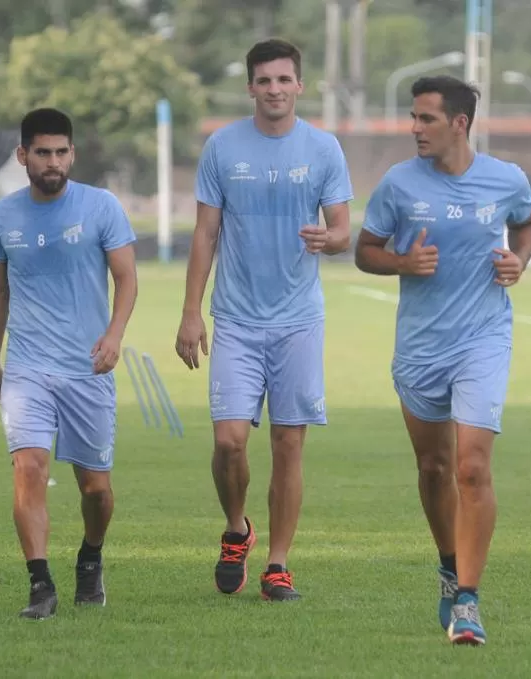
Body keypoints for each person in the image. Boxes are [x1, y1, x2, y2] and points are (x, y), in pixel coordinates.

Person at [354, 75, 531, 645]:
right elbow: (365, 252)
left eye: (425, 119)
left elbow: (527, 222)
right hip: (420, 348)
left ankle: (468, 599)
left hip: (483, 339)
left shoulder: (506, 180)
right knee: (434, 469)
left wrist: (520, 261)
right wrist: (402, 264)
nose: (414, 128)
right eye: (413, 118)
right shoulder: (398, 184)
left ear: (459, 123)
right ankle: (447, 563)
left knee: (472, 467)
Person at [175, 38, 353, 602]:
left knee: (288, 445)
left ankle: (278, 563)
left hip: (299, 319)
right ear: (250, 87)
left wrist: (331, 239)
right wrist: (190, 313)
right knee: (229, 443)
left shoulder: (323, 149)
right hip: (236, 319)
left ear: (300, 85)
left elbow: (344, 228)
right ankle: (237, 529)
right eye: (264, 81)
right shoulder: (223, 148)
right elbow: (205, 234)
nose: (274, 89)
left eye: (284, 80)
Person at [0, 107, 138, 620]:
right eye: (42, 153)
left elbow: (127, 280)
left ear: (72, 153)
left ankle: (90, 556)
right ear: (23, 155)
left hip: (88, 367)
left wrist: (114, 336)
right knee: (28, 466)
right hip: (27, 365)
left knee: (96, 489)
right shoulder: (2, 216)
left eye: (61, 152)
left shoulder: (102, 206)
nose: (53, 162)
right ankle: (39, 584)